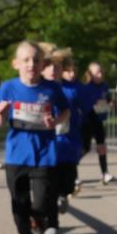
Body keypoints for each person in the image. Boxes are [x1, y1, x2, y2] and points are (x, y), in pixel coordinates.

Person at [0, 41, 70, 234]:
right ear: (15, 64)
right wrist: (0, 114)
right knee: (19, 207)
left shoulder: (51, 88)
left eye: (36, 60)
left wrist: (54, 122)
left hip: (44, 154)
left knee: (41, 202)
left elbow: (65, 111)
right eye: (26, 60)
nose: (31, 65)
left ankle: (37, 218)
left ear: (42, 64)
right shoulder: (8, 87)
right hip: (16, 156)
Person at [49, 48, 84, 214]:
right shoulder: (39, 87)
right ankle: (47, 215)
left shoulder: (72, 88)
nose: (53, 70)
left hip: (68, 139)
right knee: (46, 180)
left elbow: (86, 105)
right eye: (49, 66)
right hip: (48, 141)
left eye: (57, 67)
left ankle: (63, 194)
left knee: (68, 181)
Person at [80, 62, 114, 185]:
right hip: (87, 121)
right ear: (90, 75)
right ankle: (70, 168)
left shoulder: (104, 86)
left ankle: (105, 173)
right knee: (85, 148)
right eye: (97, 73)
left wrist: (110, 103)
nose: (100, 75)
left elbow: (108, 99)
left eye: (101, 72)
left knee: (102, 146)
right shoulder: (86, 88)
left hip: (99, 121)